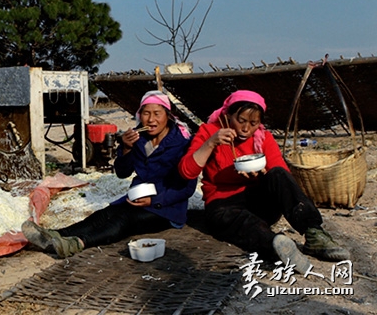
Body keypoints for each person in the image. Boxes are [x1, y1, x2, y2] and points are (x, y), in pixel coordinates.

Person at [178, 90, 349, 273]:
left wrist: (263, 174)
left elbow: (281, 174)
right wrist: (211, 143)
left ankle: (314, 233)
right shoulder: (210, 132)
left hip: (258, 203)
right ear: (228, 115)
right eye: (241, 120)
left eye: (254, 123)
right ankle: (276, 245)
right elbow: (186, 172)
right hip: (224, 205)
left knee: (277, 174)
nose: (246, 129)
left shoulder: (263, 137)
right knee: (242, 224)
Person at [22, 90, 197, 258]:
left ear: (168, 115)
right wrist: (126, 148)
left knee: (123, 219)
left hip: (167, 208)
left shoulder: (183, 143)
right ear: (139, 114)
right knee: (104, 214)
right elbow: (122, 172)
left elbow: (186, 188)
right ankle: (54, 236)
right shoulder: (138, 138)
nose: (151, 120)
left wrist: (154, 200)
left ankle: (76, 243)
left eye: (157, 114)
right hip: (138, 199)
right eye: (146, 113)